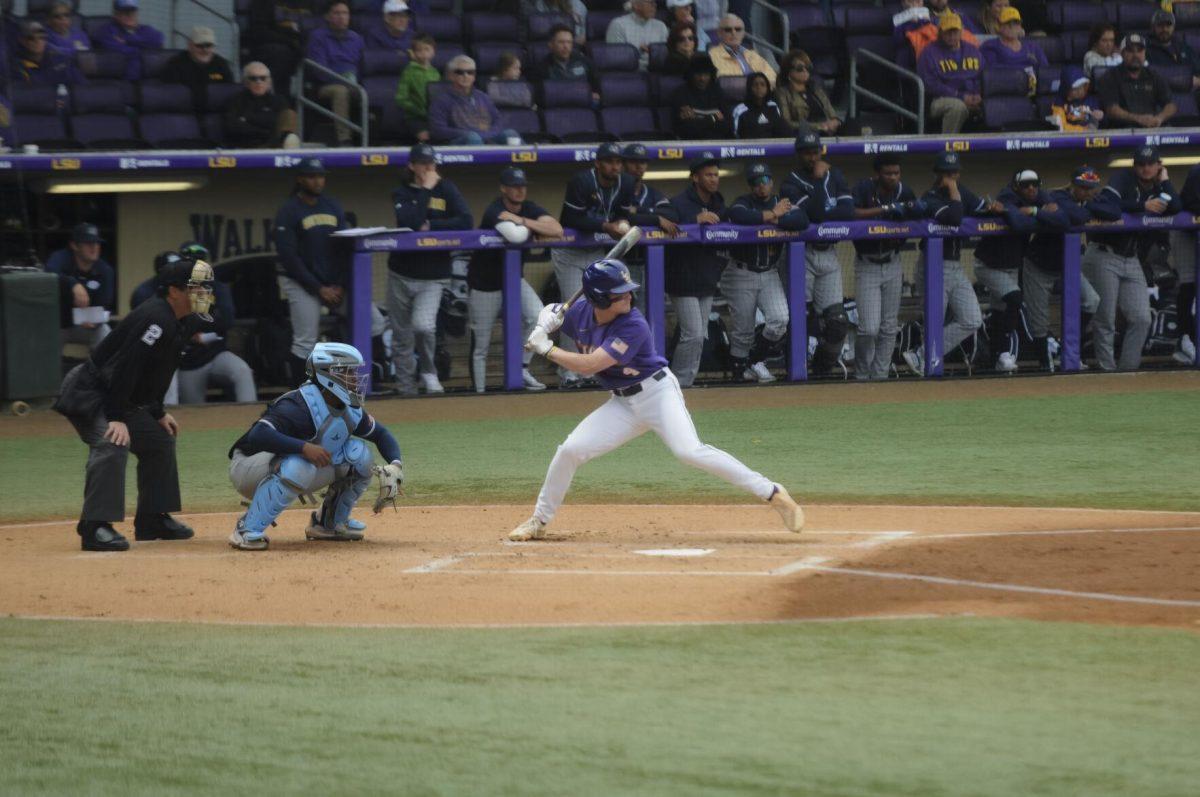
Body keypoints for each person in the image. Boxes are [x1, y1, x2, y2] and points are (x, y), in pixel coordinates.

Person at [510, 258, 805, 542]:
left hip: (657, 395)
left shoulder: (632, 325)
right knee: (570, 450)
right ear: (599, 299)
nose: (628, 296)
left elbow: (591, 365)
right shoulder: (579, 313)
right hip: (622, 404)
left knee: (689, 451)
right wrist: (545, 319)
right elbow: (550, 310)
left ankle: (772, 492)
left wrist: (547, 349)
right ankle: (539, 521)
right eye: (619, 294)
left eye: (627, 291)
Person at [52, 258, 214, 552]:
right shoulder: (156, 317)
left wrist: (157, 412)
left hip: (118, 394)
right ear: (174, 291)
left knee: (159, 440)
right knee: (112, 442)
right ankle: (95, 526)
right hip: (92, 392)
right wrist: (115, 416)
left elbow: (159, 371)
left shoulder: (185, 320)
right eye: (195, 286)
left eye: (204, 285)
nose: (202, 291)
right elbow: (127, 367)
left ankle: (152, 518)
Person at [227, 342, 404, 551]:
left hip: (285, 466)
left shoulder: (348, 408)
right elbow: (259, 434)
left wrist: (395, 464)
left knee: (360, 456)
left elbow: (381, 434)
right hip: (247, 467)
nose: (356, 378)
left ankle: (328, 524)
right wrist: (304, 448)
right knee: (299, 464)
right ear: (328, 376)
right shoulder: (298, 405)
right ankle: (246, 528)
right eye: (348, 372)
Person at [273, 157, 385, 386]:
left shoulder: (332, 205)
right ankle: (301, 393)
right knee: (306, 339)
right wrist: (318, 288)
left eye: (321, 176)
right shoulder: (289, 211)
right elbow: (289, 257)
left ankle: (362, 379)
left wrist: (341, 285)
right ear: (300, 179)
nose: (318, 181)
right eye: (312, 176)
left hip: (334, 284)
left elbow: (344, 246)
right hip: (302, 282)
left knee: (374, 321)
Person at [467, 167, 563, 393]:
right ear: (503, 188)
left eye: (522, 186)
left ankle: (521, 367)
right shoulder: (495, 210)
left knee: (539, 316)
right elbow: (516, 236)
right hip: (484, 283)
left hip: (513, 279)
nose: (519, 190)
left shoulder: (527, 208)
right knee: (481, 342)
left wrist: (521, 220)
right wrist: (533, 228)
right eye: (514, 186)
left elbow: (556, 229)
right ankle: (478, 392)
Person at [1084, 146, 1180, 371]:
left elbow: (1175, 206)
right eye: (1141, 164)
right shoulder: (1123, 178)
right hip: (1103, 254)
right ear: (1135, 165)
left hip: (1131, 258)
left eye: (1151, 164)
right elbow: (1105, 205)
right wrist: (1142, 206)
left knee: (1141, 318)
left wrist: (1165, 180)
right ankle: (1107, 371)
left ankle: (1127, 372)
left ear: (1159, 165)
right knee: (1105, 318)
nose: (1146, 168)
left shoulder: (1159, 187)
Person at [388, 143, 473, 395]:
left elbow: (466, 221)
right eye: (423, 163)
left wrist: (432, 225)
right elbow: (410, 222)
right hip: (400, 273)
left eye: (431, 163)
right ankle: (406, 389)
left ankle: (428, 371)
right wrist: (425, 190)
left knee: (424, 326)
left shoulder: (447, 189)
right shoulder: (401, 192)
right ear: (412, 166)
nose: (428, 168)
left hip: (434, 276)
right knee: (401, 336)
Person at [552, 141, 637, 386]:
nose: (615, 166)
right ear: (598, 163)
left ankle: (588, 370)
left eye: (618, 162)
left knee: (595, 311)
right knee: (574, 309)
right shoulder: (582, 181)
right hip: (570, 252)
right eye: (609, 162)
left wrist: (620, 223)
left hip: (599, 253)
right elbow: (570, 218)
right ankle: (568, 373)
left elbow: (623, 214)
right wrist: (606, 226)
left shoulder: (626, 183)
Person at [903, 152, 990, 375]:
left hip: (954, 266)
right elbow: (955, 217)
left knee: (972, 319)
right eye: (947, 173)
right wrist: (953, 190)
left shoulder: (962, 192)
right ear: (938, 175)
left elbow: (981, 206)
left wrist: (994, 207)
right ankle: (928, 366)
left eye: (955, 172)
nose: (952, 177)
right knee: (935, 321)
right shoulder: (931, 196)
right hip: (932, 265)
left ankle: (921, 354)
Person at [780, 129, 855, 377]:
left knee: (837, 322)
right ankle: (795, 371)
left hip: (829, 253)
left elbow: (847, 212)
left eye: (815, 152)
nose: (812, 157)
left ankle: (821, 372)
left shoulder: (837, 175)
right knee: (803, 318)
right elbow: (817, 213)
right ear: (798, 154)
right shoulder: (790, 182)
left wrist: (822, 191)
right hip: (801, 254)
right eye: (806, 153)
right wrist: (820, 181)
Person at [723, 162, 807, 383]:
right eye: (756, 183)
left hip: (769, 273)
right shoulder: (744, 201)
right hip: (741, 272)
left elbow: (802, 220)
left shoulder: (783, 202)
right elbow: (738, 215)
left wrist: (776, 216)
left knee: (780, 318)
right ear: (751, 186)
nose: (761, 186)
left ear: (771, 181)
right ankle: (738, 376)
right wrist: (771, 214)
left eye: (765, 181)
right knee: (743, 331)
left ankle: (753, 360)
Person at [1021, 166, 1107, 371]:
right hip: (1038, 265)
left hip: (1066, 267)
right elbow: (1073, 218)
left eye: (1091, 188)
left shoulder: (1088, 201)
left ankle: (1066, 352)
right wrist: (1047, 212)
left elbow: (1108, 211)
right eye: (1084, 187)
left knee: (1091, 300)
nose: (1088, 192)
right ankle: (1045, 365)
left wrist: (1080, 211)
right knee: (1039, 322)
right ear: (1073, 185)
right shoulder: (1055, 195)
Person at [851, 154, 926, 380]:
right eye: (888, 173)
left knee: (889, 325)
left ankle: (880, 375)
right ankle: (862, 374)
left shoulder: (905, 191)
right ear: (877, 174)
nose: (893, 177)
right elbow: (851, 213)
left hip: (893, 261)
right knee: (869, 328)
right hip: (867, 264)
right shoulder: (864, 188)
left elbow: (919, 211)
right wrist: (885, 210)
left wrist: (908, 209)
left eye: (896, 173)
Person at [973, 169, 1054, 373]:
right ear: (1016, 186)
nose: (1031, 188)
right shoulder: (1007, 196)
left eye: (1034, 184)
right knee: (1015, 299)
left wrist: (1035, 211)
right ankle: (1005, 353)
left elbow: (1062, 217)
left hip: (1010, 266)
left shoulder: (1039, 196)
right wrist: (1035, 213)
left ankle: (993, 360)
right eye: (1025, 185)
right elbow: (1019, 224)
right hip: (988, 265)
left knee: (999, 313)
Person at [665, 152, 726, 387]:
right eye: (708, 175)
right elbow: (667, 223)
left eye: (715, 175)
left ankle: (685, 380)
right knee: (693, 333)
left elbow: (731, 217)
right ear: (695, 178)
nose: (713, 179)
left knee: (699, 335)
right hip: (682, 278)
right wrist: (694, 220)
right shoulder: (679, 203)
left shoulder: (718, 202)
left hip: (706, 277)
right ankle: (678, 384)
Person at [621, 142, 678, 302]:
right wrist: (655, 218)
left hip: (648, 264)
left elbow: (672, 214)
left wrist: (641, 211)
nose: (639, 167)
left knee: (647, 312)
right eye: (633, 162)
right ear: (624, 164)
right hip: (621, 263)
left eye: (642, 162)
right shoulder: (616, 190)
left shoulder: (651, 193)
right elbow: (623, 216)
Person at [46, 223, 115, 352]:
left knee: (104, 331)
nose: (94, 247)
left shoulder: (105, 270)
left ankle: (100, 372)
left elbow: (105, 305)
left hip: (85, 325)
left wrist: (95, 320)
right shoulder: (61, 258)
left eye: (96, 243)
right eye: (88, 243)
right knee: (44, 335)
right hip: (57, 325)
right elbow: (49, 274)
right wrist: (73, 284)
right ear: (74, 245)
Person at [428, 54, 522, 145]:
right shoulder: (441, 100)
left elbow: (497, 120)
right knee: (473, 138)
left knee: (510, 134)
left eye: (470, 72)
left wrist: (487, 135)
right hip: (459, 141)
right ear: (451, 75)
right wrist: (468, 134)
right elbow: (438, 130)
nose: (466, 75)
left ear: (474, 76)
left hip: (486, 137)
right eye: (460, 72)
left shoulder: (483, 97)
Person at [306, 0, 364, 146]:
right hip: (325, 85)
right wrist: (343, 78)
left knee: (374, 90)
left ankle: (370, 137)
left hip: (354, 83)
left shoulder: (357, 39)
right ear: (328, 16)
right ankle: (344, 139)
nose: (341, 17)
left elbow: (363, 66)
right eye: (337, 13)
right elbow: (319, 70)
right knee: (341, 91)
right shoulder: (318, 37)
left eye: (345, 13)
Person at [917, 13, 983, 133]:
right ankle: (947, 147)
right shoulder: (929, 53)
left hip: (972, 96)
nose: (952, 35)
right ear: (940, 32)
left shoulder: (972, 50)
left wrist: (978, 93)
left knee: (996, 103)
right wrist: (960, 96)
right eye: (948, 32)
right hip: (939, 99)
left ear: (962, 31)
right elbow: (930, 84)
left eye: (955, 31)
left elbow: (983, 75)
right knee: (957, 107)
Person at [1096, 34, 1176, 129]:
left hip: (1152, 127)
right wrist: (1139, 119)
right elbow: (1112, 110)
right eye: (1130, 51)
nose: (1136, 55)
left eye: (1140, 51)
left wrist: (1159, 118)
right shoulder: (1110, 77)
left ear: (1145, 53)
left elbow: (1171, 105)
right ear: (1122, 54)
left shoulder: (1153, 75)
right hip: (1124, 131)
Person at [224, 62, 301, 148]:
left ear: (269, 82)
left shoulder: (279, 100)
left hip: (275, 144)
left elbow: (281, 124)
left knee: (289, 115)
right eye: (253, 78)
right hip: (247, 146)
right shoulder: (236, 100)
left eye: (263, 78)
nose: (258, 82)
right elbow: (232, 127)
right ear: (245, 82)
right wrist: (265, 129)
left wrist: (248, 119)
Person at [161, 26, 235, 113]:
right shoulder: (176, 63)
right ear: (189, 46)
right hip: (184, 111)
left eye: (209, 45)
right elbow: (168, 94)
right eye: (200, 45)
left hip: (214, 111)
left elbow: (230, 89)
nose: (205, 50)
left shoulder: (221, 64)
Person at [1170, 164, 1200, 365]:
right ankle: (1185, 339)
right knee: (1189, 283)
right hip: (1185, 231)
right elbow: (1191, 202)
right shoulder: (1197, 172)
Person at [94, 0, 164, 81]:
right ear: (116, 14)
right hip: (121, 80)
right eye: (125, 12)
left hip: (147, 79)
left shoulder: (145, 29)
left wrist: (129, 40)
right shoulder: (106, 30)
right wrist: (144, 48)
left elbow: (158, 40)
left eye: (132, 12)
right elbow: (120, 50)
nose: (129, 15)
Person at [774, 50, 840, 134]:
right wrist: (819, 126)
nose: (805, 71)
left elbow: (832, 114)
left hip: (827, 131)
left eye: (808, 67)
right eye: (800, 68)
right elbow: (786, 123)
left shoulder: (816, 90)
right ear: (789, 72)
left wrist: (835, 122)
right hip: (803, 134)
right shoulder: (782, 93)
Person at [532, 23, 599, 103]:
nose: (566, 46)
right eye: (561, 42)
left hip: (583, 106)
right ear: (550, 45)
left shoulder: (585, 62)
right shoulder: (542, 68)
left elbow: (597, 89)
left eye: (569, 42)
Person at [979, 6, 1046, 85]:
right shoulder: (990, 46)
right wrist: (1025, 71)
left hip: (1033, 88)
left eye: (1016, 23)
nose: (1012, 27)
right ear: (999, 27)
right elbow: (993, 72)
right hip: (1006, 88)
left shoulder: (1033, 47)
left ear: (1020, 26)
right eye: (1008, 24)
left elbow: (1045, 70)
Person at [671, 53, 730, 139]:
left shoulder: (718, 92)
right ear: (690, 74)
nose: (702, 78)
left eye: (706, 74)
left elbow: (727, 126)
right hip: (691, 145)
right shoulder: (680, 94)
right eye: (698, 74)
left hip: (718, 143)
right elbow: (687, 129)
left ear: (711, 74)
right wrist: (713, 118)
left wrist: (698, 121)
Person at [708, 13, 776, 86]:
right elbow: (725, 84)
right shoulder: (712, 55)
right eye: (728, 30)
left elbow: (772, 77)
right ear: (719, 33)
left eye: (738, 29)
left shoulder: (751, 54)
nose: (733, 33)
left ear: (743, 33)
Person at [9, 20, 82, 86]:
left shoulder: (63, 61)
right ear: (22, 41)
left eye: (41, 37)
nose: (37, 41)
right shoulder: (16, 67)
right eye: (31, 38)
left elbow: (82, 87)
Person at [395, 32, 438, 141]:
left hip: (433, 117)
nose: (423, 53)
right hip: (414, 118)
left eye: (427, 49)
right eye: (419, 50)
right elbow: (400, 98)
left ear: (433, 51)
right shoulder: (409, 72)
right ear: (413, 53)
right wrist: (417, 109)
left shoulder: (435, 73)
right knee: (425, 137)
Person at [606, 0, 669, 71]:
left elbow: (665, 56)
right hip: (630, 74)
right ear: (636, 5)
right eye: (650, 2)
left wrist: (652, 52)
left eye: (655, 3)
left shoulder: (660, 26)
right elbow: (616, 58)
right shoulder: (618, 24)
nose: (654, 6)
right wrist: (640, 52)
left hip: (656, 71)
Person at [1146, 9, 1200, 91]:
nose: (1164, 29)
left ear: (1174, 27)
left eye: (1168, 25)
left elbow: (1197, 69)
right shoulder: (1146, 50)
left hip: (1190, 93)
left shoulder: (1184, 47)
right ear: (1153, 27)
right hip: (1162, 93)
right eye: (1160, 25)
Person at [732, 72, 791, 138]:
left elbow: (780, 127)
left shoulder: (773, 106)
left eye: (762, 85)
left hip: (772, 145)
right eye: (755, 85)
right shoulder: (740, 110)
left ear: (767, 88)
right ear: (749, 88)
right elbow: (736, 134)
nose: (759, 87)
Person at [520, 0, 587, 43]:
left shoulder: (576, 4)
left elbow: (582, 37)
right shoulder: (540, 3)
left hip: (572, 46)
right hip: (548, 45)